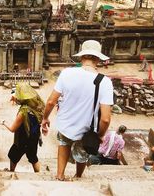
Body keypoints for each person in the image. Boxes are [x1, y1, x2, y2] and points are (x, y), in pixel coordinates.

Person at [41, 40, 113, 180]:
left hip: (65, 123)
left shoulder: (67, 73)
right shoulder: (105, 82)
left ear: (81, 57)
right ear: (97, 59)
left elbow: (51, 101)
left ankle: (60, 175)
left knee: (63, 145)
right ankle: (78, 176)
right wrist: (100, 135)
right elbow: (105, 118)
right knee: (82, 154)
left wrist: (45, 118)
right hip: (87, 129)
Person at [1, 83, 45, 172]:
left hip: (23, 139)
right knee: (33, 157)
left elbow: (12, 129)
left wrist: (3, 123)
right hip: (34, 137)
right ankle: (39, 174)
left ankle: (11, 171)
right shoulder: (35, 108)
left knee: (13, 155)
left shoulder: (24, 111)